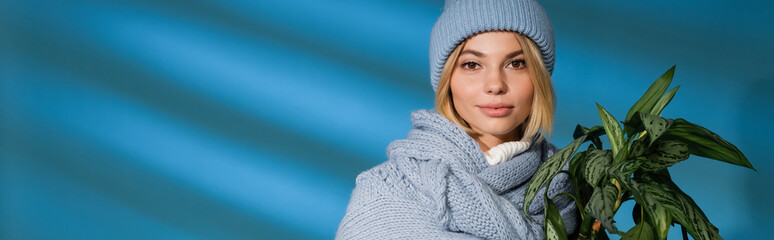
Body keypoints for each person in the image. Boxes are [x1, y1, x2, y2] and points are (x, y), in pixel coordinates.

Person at [336, 0, 577, 239]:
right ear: (447, 80)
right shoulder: (384, 193)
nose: (495, 85)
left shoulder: (570, 192)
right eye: (472, 65)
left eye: (516, 63)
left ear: (540, 77)